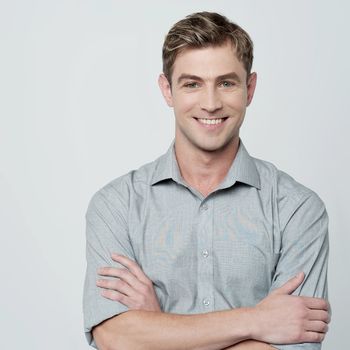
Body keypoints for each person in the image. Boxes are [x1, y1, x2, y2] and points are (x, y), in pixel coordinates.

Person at [83, 11, 330, 350]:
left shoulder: (298, 209)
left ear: (250, 88)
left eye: (226, 83)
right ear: (167, 90)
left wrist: (157, 330)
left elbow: (294, 343)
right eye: (192, 84)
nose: (211, 103)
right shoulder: (116, 205)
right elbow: (113, 337)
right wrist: (258, 320)